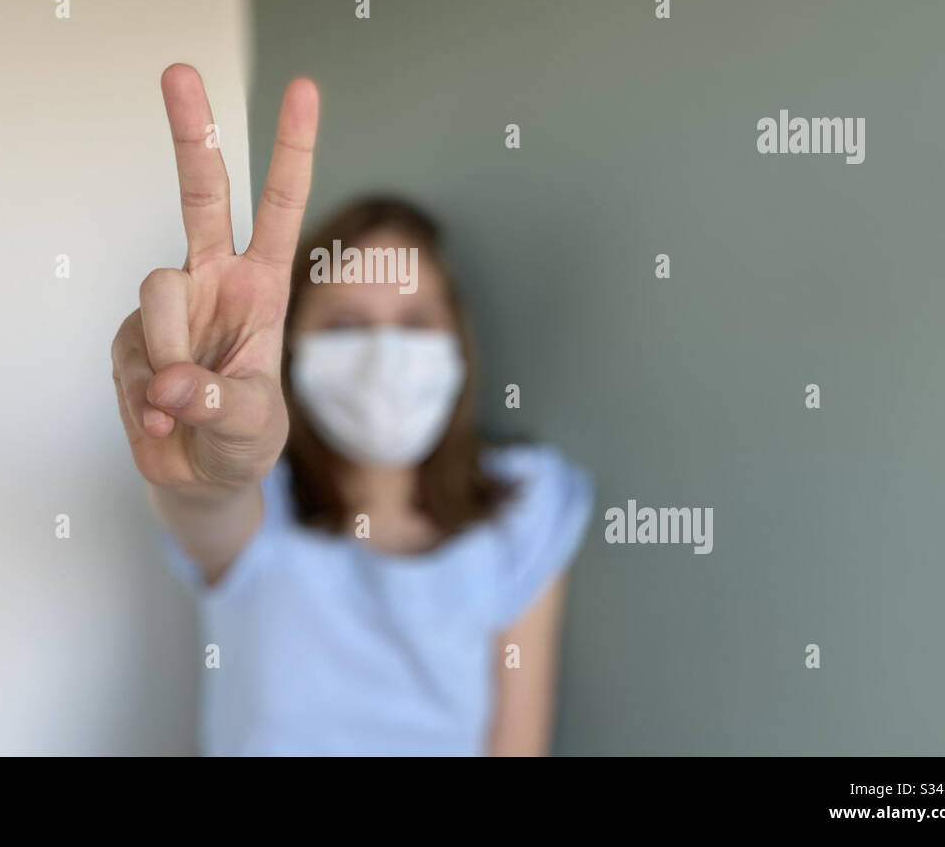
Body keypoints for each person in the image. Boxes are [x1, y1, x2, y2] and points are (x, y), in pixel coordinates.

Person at [110, 63, 595, 756]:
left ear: (459, 340)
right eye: (344, 325)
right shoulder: (260, 511)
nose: (382, 353)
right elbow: (207, 502)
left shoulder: (523, 502)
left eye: (414, 320)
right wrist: (208, 462)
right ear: (291, 348)